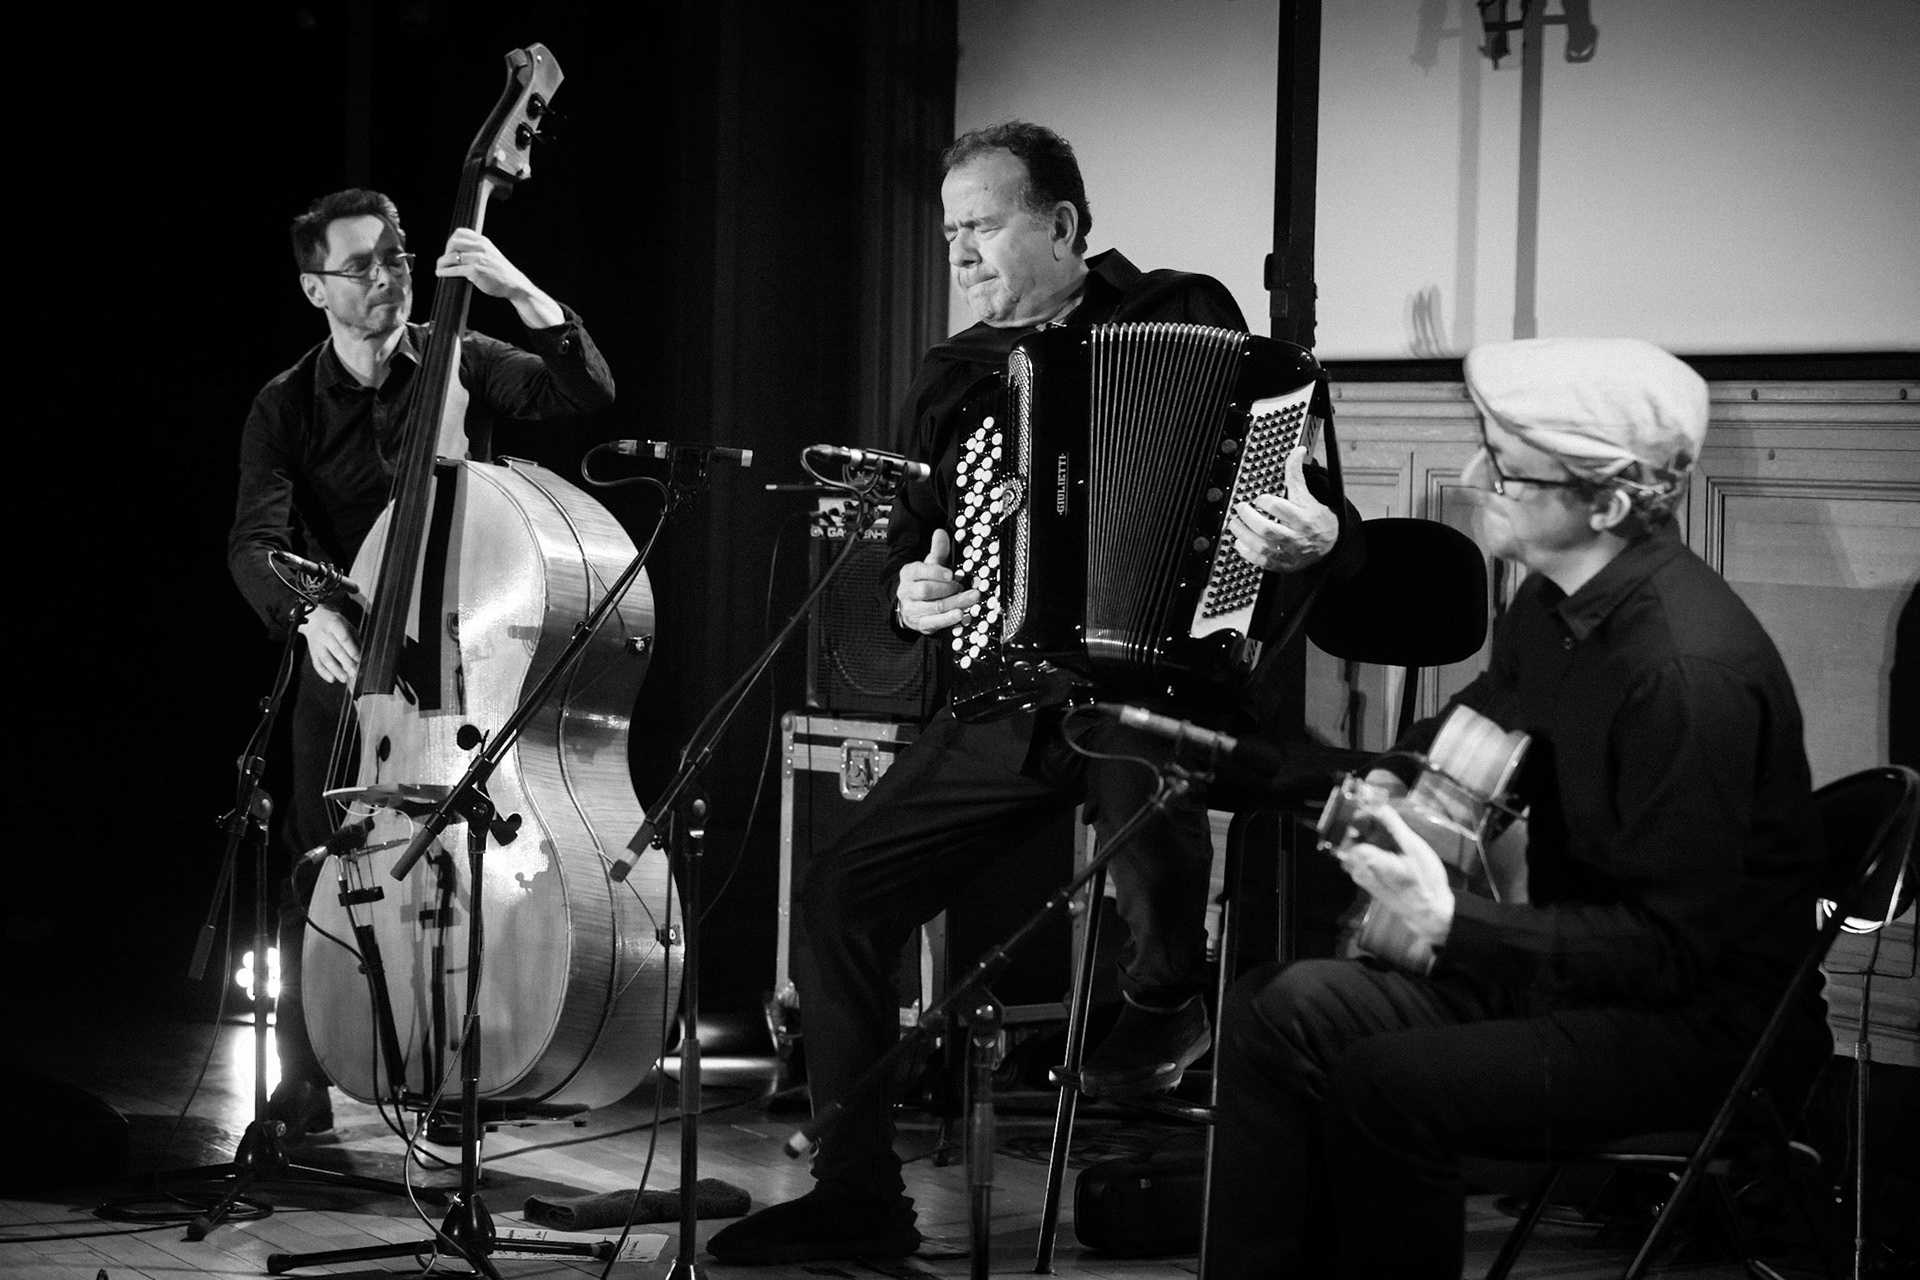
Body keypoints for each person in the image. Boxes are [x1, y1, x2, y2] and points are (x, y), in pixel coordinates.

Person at [708, 121, 1359, 1265]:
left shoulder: (1186, 312)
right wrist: (918, 592)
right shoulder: (953, 375)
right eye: (951, 229)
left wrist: (1318, 532)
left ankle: (1165, 991)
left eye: (985, 224)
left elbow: (1306, 483)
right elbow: (917, 550)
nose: (961, 253)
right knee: (836, 896)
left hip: (1160, 674)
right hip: (1008, 699)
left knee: (1142, 787)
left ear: (1060, 223)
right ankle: (859, 1192)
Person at [1205, 337, 1831, 1278]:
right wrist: (1386, 782)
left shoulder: (1683, 676)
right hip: (1586, 973)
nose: (1468, 478)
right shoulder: (1551, 601)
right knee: (1279, 1009)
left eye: (1503, 465)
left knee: (1388, 1084)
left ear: (1610, 503)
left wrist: (1456, 921)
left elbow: (1670, 952)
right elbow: (1472, 733)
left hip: (1699, 1027)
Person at [226, 188, 615, 1139]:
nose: (387, 279)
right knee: (320, 864)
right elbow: (252, 542)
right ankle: (306, 1076)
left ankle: (454, 1072)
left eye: (396, 257)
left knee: (466, 861)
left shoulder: (463, 359)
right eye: (360, 266)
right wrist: (308, 613)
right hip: (347, 661)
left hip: (460, 650)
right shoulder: (284, 404)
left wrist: (519, 289)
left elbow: (584, 391)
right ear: (315, 287)